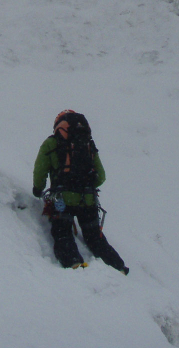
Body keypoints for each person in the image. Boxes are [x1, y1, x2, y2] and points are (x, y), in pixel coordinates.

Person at [32, 110, 129, 274]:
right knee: (95, 238)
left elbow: (40, 170)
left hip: (62, 200)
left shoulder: (51, 143)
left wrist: (38, 189)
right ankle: (118, 267)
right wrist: (86, 185)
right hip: (88, 200)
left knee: (63, 233)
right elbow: (101, 176)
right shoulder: (88, 144)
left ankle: (74, 264)